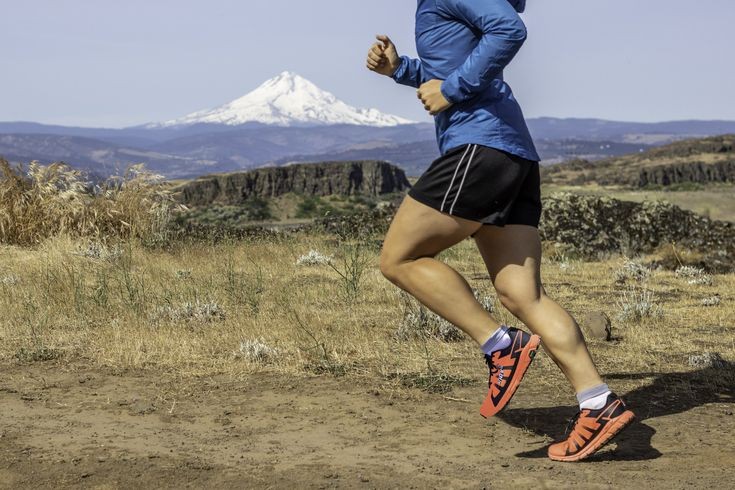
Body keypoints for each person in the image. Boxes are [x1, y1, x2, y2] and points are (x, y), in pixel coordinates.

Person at [366, 0, 635, 462]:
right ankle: (598, 404)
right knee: (521, 293)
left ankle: (501, 345)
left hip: (480, 147)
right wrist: (401, 70)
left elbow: (509, 29)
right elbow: (455, 60)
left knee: (399, 258)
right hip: (512, 154)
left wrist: (452, 89)